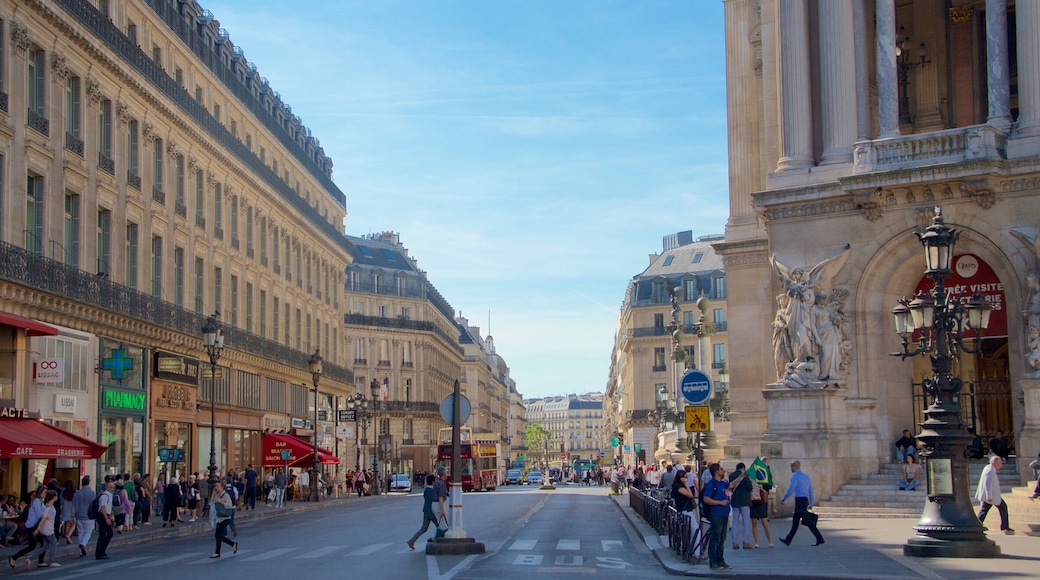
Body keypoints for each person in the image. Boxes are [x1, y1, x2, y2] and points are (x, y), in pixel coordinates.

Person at [779, 460, 824, 546]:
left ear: (795, 467)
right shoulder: (806, 477)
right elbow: (811, 491)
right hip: (804, 500)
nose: (791, 469)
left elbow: (791, 489)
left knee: (808, 521)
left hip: (799, 501)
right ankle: (788, 539)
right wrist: (811, 503)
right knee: (795, 521)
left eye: (791, 467)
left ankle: (819, 538)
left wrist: (783, 498)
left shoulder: (795, 477)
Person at [702, 463, 732, 570]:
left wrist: (741, 476)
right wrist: (720, 502)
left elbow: (731, 485)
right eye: (721, 469)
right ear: (716, 471)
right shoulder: (711, 484)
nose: (723, 471)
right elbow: (706, 499)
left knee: (722, 539)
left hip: (724, 514)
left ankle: (721, 561)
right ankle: (713, 562)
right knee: (715, 539)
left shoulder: (722, 483)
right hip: (716, 514)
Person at [975, 455, 1014, 534]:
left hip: (992, 495)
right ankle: (1004, 526)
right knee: (1002, 507)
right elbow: (987, 484)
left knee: (985, 510)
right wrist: (989, 496)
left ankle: (977, 525)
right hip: (991, 496)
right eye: (1000, 463)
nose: (1001, 465)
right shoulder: (990, 470)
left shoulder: (989, 468)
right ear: (996, 463)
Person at [8, 485, 45, 567]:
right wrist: (46, 514)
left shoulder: (40, 501)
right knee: (43, 542)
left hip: (31, 525)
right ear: (40, 492)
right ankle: (40, 561)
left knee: (32, 546)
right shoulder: (36, 501)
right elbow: (39, 514)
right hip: (31, 526)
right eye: (44, 492)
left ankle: (14, 557)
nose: (45, 494)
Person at [21, 490, 59, 569]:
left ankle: (30, 559)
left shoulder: (47, 505)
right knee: (54, 543)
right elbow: (43, 518)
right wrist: (38, 529)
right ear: (54, 497)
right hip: (48, 528)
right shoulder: (49, 507)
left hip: (45, 527)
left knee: (45, 546)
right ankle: (52, 561)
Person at [407, 474, 441, 549]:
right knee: (440, 526)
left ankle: (412, 540)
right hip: (432, 511)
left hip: (426, 511)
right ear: (433, 482)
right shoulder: (432, 490)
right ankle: (436, 539)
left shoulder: (426, 490)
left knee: (424, 528)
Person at [209, 481, 238, 558]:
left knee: (218, 535)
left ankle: (218, 552)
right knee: (218, 535)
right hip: (219, 517)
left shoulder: (226, 495)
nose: (216, 488)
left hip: (225, 518)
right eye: (215, 486)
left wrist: (221, 502)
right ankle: (231, 545)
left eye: (218, 486)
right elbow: (211, 503)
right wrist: (213, 494)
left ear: (222, 487)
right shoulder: (217, 495)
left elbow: (230, 505)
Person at [729, 462, 753, 550]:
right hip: (745, 501)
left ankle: (735, 543)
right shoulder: (745, 476)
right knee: (746, 522)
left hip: (735, 501)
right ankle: (746, 542)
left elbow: (730, 487)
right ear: (743, 468)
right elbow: (750, 488)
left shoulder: (731, 475)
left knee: (735, 522)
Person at [750, 464, 774, 548]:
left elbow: (768, 488)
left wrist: (762, 488)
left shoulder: (764, 479)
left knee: (764, 522)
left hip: (761, 501)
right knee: (754, 522)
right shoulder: (750, 479)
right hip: (753, 502)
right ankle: (757, 542)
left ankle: (770, 541)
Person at [72, 476, 95, 558]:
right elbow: (94, 504)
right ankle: (83, 544)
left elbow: (73, 505)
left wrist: (72, 516)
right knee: (88, 531)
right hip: (88, 515)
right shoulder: (91, 493)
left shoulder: (77, 493)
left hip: (78, 515)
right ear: (88, 483)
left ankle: (81, 551)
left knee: (80, 532)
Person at [95, 481, 115, 560]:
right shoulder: (104, 496)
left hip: (106, 515)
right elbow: (103, 508)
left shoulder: (110, 495)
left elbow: (109, 507)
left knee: (105, 534)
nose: (113, 489)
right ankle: (100, 552)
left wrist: (111, 516)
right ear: (107, 488)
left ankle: (101, 552)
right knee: (106, 534)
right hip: (102, 515)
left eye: (113, 488)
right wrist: (107, 518)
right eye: (111, 488)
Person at [60, 480, 76, 544]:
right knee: (74, 523)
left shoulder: (63, 491)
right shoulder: (74, 492)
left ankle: (67, 535)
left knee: (67, 523)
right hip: (72, 508)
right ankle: (68, 535)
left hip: (65, 508)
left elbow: (61, 500)